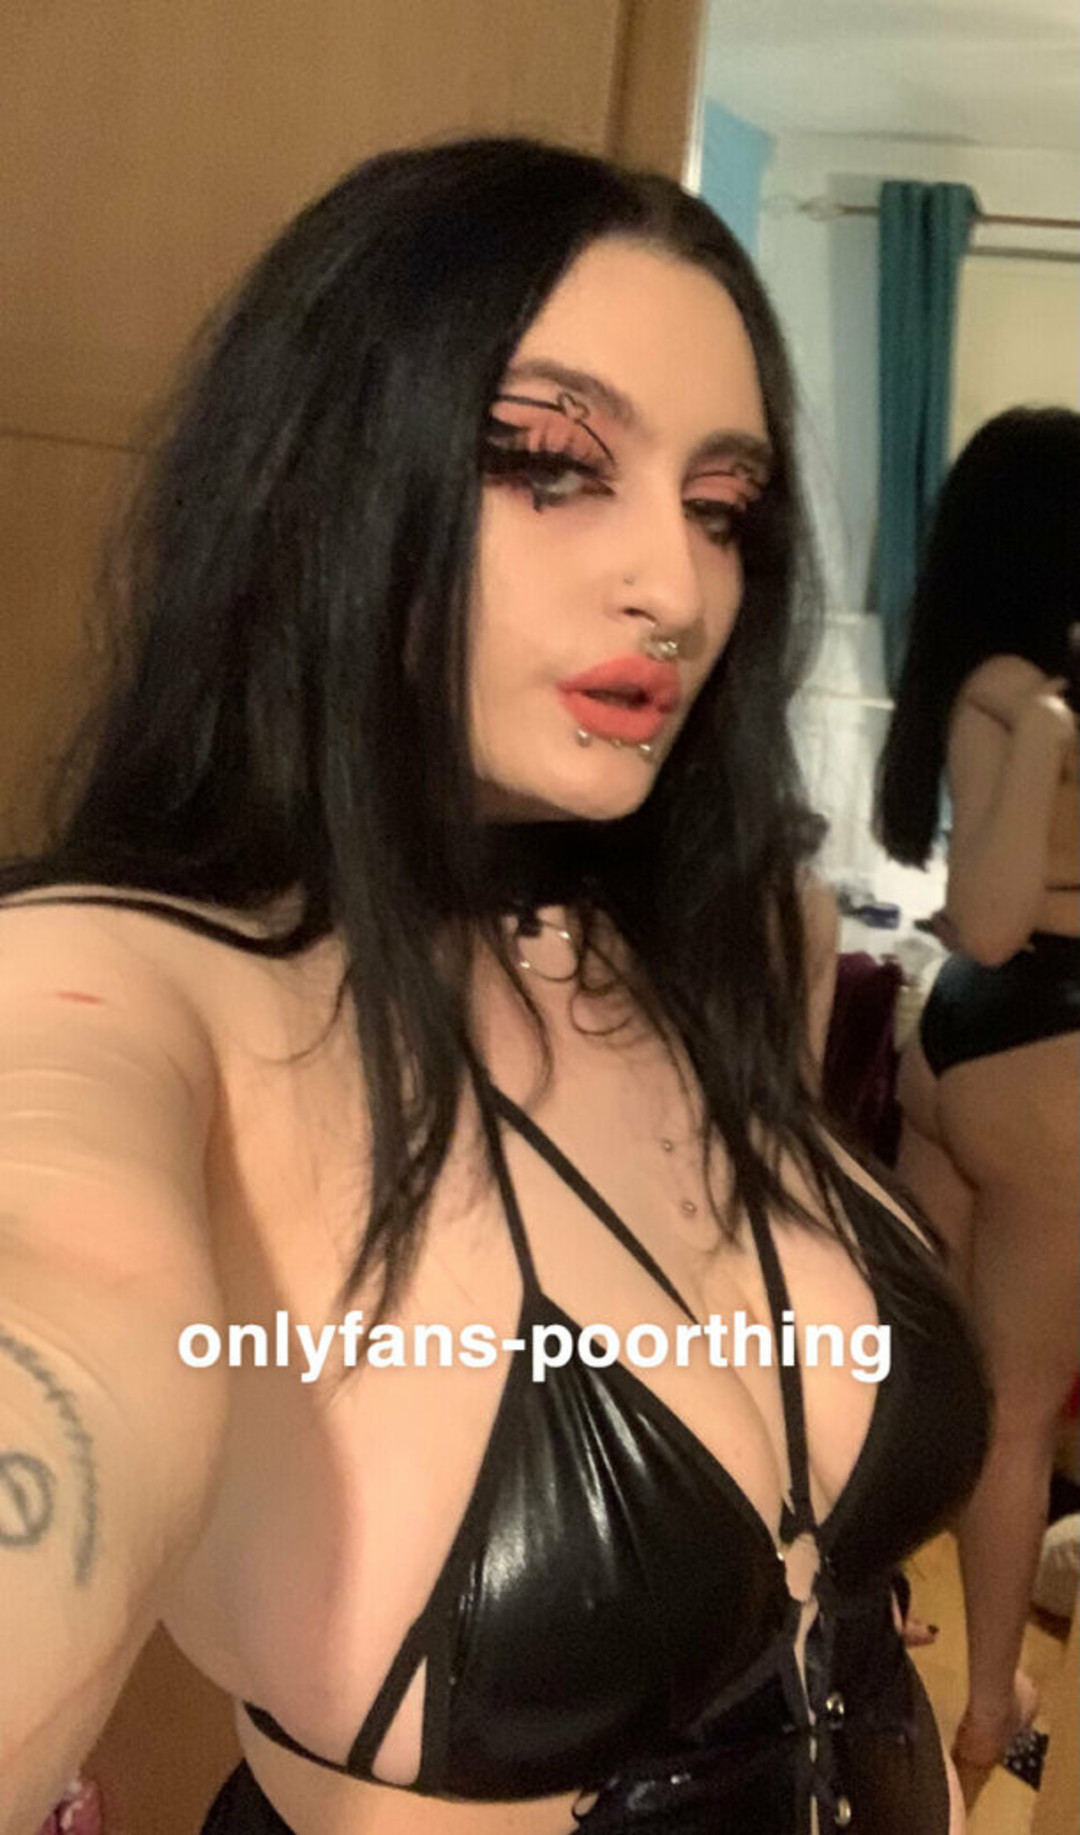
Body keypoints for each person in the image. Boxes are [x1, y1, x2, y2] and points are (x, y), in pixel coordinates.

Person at [0, 138, 987, 1835]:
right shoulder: (119, 986)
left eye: (722, 510)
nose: (674, 591)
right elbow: (59, 1314)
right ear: (325, 476)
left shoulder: (742, 936)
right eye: (550, 464)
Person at [875, 407, 1080, 1799]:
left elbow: (977, 925)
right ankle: (988, 1715)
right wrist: (1058, 727)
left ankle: (872, 1606)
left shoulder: (971, 682)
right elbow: (1003, 918)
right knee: (1011, 1415)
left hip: (956, 1044)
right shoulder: (1029, 695)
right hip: (1050, 1057)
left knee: (926, 1369)